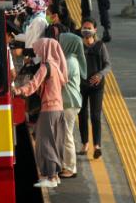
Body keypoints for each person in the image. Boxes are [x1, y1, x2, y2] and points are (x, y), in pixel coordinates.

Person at [13, 38, 68, 188]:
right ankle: (54, 175)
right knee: (55, 142)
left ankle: (50, 177)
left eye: (39, 49)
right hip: (58, 109)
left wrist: (19, 90)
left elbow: (33, 84)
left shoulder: (45, 67)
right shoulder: (56, 66)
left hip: (49, 109)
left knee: (44, 142)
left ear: (45, 49)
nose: (37, 53)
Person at [78, 18, 112, 159]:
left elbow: (108, 65)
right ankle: (85, 143)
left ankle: (97, 146)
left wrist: (100, 75)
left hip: (97, 86)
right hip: (81, 85)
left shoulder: (100, 46)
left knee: (95, 115)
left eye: (89, 28)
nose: (86, 30)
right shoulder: (78, 45)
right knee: (82, 114)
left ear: (95, 30)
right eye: (84, 28)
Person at [59, 32, 85, 179]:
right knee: (66, 134)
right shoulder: (71, 59)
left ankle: (70, 168)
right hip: (70, 101)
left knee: (67, 135)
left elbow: (60, 79)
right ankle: (67, 165)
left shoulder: (69, 61)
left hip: (69, 102)